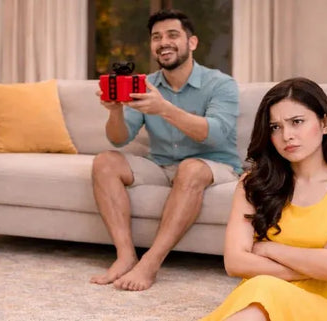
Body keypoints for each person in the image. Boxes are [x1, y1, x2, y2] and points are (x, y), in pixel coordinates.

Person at [90, 9, 241, 291]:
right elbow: (119, 140)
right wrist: (115, 112)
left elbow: (216, 134)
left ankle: (150, 263)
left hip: (212, 163)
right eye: (156, 37)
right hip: (161, 165)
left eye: (172, 35)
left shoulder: (220, 84)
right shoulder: (146, 86)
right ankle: (125, 256)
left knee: (191, 168)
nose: (163, 42)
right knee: (105, 161)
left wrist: (165, 109)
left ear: (192, 42)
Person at [201, 77, 327, 321]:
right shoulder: (253, 185)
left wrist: (268, 248)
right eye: (275, 127)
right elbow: (235, 262)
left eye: (297, 122)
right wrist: (317, 261)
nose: (287, 136)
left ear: (324, 124)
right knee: (261, 293)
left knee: (264, 288)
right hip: (260, 302)